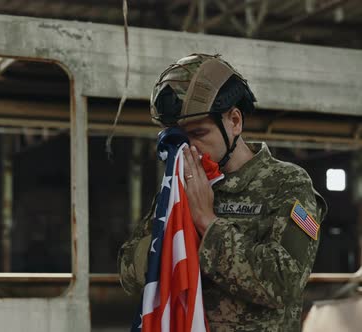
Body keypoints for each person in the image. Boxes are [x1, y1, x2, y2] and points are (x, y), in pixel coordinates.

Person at [118, 53, 327, 331]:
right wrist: (172, 239)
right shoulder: (180, 185)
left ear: (235, 121)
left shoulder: (286, 183)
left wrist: (207, 223)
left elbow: (284, 282)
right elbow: (128, 273)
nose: (188, 149)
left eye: (199, 134)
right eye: (179, 139)